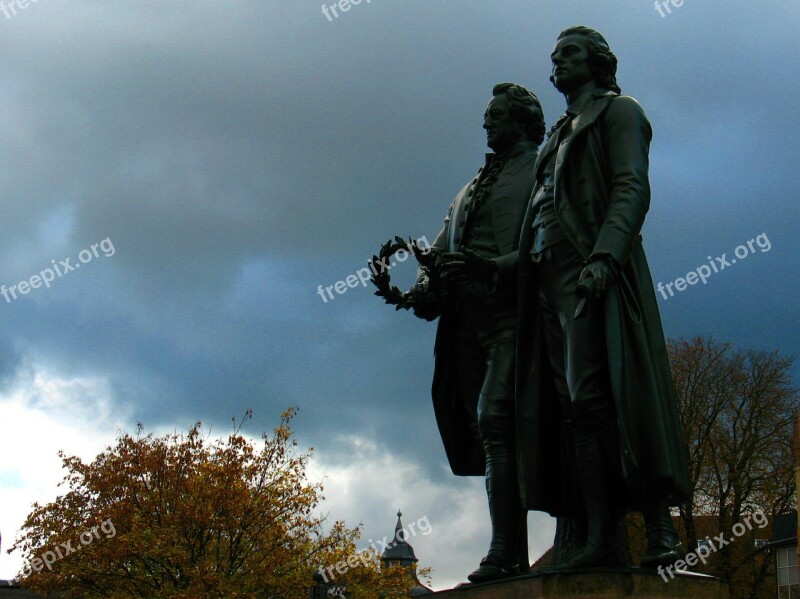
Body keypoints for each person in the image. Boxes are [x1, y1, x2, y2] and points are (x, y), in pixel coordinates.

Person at [488, 26, 691, 569]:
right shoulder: (555, 135)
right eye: (553, 56)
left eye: (570, 54)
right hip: (545, 286)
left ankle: (658, 530)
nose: (557, 62)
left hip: (591, 274)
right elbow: (538, 218)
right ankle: (599, 533)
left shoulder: (620, 112)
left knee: (613, 398)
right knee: (572, 410)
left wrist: (605, 256)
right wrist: (487, 267)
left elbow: (631, 185)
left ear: (599, 62)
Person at [411, 82, 545, 582]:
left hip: (518, 318)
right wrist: (426, 287)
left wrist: (492, 269)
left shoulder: (542, 167)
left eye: (496, 115)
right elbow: (443, 246)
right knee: (490, 433)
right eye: (486, 115)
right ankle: (512, 554)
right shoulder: (470, 185)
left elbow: (549, 243)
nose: (486, 123)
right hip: (467, 326)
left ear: (523, 120)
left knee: (496, 420)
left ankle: (503, 549)